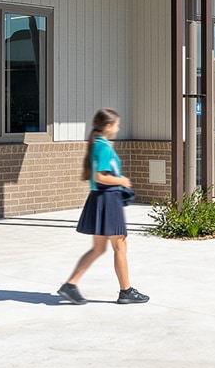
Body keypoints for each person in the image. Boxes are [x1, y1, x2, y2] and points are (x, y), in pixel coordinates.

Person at [58, 108, 149, 305]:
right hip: (108, 200)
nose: (118, 128)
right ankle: (126, 291)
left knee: (99, 249)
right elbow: (100, 177)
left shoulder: (98, 145)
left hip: (99, 199)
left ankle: (70, 285)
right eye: (116, 124)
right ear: (108, 126)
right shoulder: (105, 148)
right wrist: (122, 181)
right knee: (120, 246)